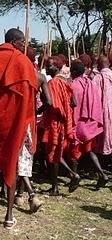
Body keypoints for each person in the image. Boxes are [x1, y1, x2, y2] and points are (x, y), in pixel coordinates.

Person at [0, 28, 38, 228]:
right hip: (15, 122)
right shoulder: (22, 61)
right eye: (22, 42)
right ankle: (9, 216)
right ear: (14, 41)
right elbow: (29, 95)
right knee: (11, 162)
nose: (24, 46)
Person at [14, 46, 52, 212]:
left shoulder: (17, 74)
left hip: (17, 119)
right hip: (31, 120)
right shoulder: (40, 77)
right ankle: (19, 195)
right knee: (26, 156)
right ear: (35, 61)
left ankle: (30, 194)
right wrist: (37, 111)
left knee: (18, 157)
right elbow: (49, 102)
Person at [42, 56, 80, 195]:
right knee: (57, 153)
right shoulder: (67, 81)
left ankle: (68, 178)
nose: (46, 68)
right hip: (64, 122)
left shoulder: (53, 83)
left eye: (49, 66)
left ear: (57, 67)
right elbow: (74, 102)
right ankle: (56, 186)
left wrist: (39, 110)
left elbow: (51, 104)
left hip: (55, 122)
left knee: (52, 153)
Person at [69, 60, 108, 188]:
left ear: (73, 71)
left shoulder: (73, 85)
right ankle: (102, 174)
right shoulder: (90, 83)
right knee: (90, 151)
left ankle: (74, 176)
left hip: (78, 124)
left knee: (73, 152)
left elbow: (72, 106)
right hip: (89, 124)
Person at [93, 57, 112, 165]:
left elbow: (95, 97)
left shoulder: (98, 78)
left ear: (99, 65)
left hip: (104, 111)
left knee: (104, 135)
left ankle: (103, 161)